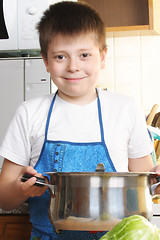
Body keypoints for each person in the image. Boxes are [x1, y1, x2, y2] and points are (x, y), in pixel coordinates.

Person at [0, 1, 159, 240]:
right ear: (46, 61)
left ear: (102, 57)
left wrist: (156, 180)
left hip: (118, 236)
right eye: (60, 56)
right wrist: (21, 189)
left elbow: (145, 184)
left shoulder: (125, 108)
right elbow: (5, 197)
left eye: (84, 55)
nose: (73, 67)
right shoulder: (29, 113)